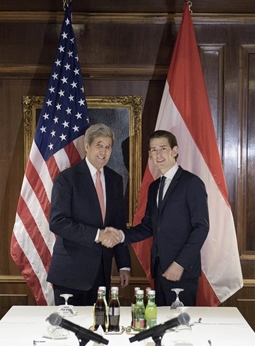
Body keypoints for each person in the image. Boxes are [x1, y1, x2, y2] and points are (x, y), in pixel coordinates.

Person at [107, 130, 208, 306]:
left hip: (181, 270)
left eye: (162, 148)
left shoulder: (191, 183)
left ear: (174, 151)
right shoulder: (154, 187)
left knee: (179, 325)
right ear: (149, 155)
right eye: (153, 150)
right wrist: (121, 235)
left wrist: (179, 264)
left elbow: (201, 228)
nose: (158, 154)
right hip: (160, 269)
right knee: (162, 322)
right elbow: (148, 226)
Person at [47, 123, 131, 306]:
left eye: (108, 146)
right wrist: (97, 235)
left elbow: (118, 224)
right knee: (69, 330)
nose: (103, 151)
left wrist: (124, 264)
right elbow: (58, 222)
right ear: (87, 146)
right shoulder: (66, 179)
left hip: (102, 273)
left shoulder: (115, 180)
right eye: (99, 145)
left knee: (99, 328)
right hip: (70, 274)